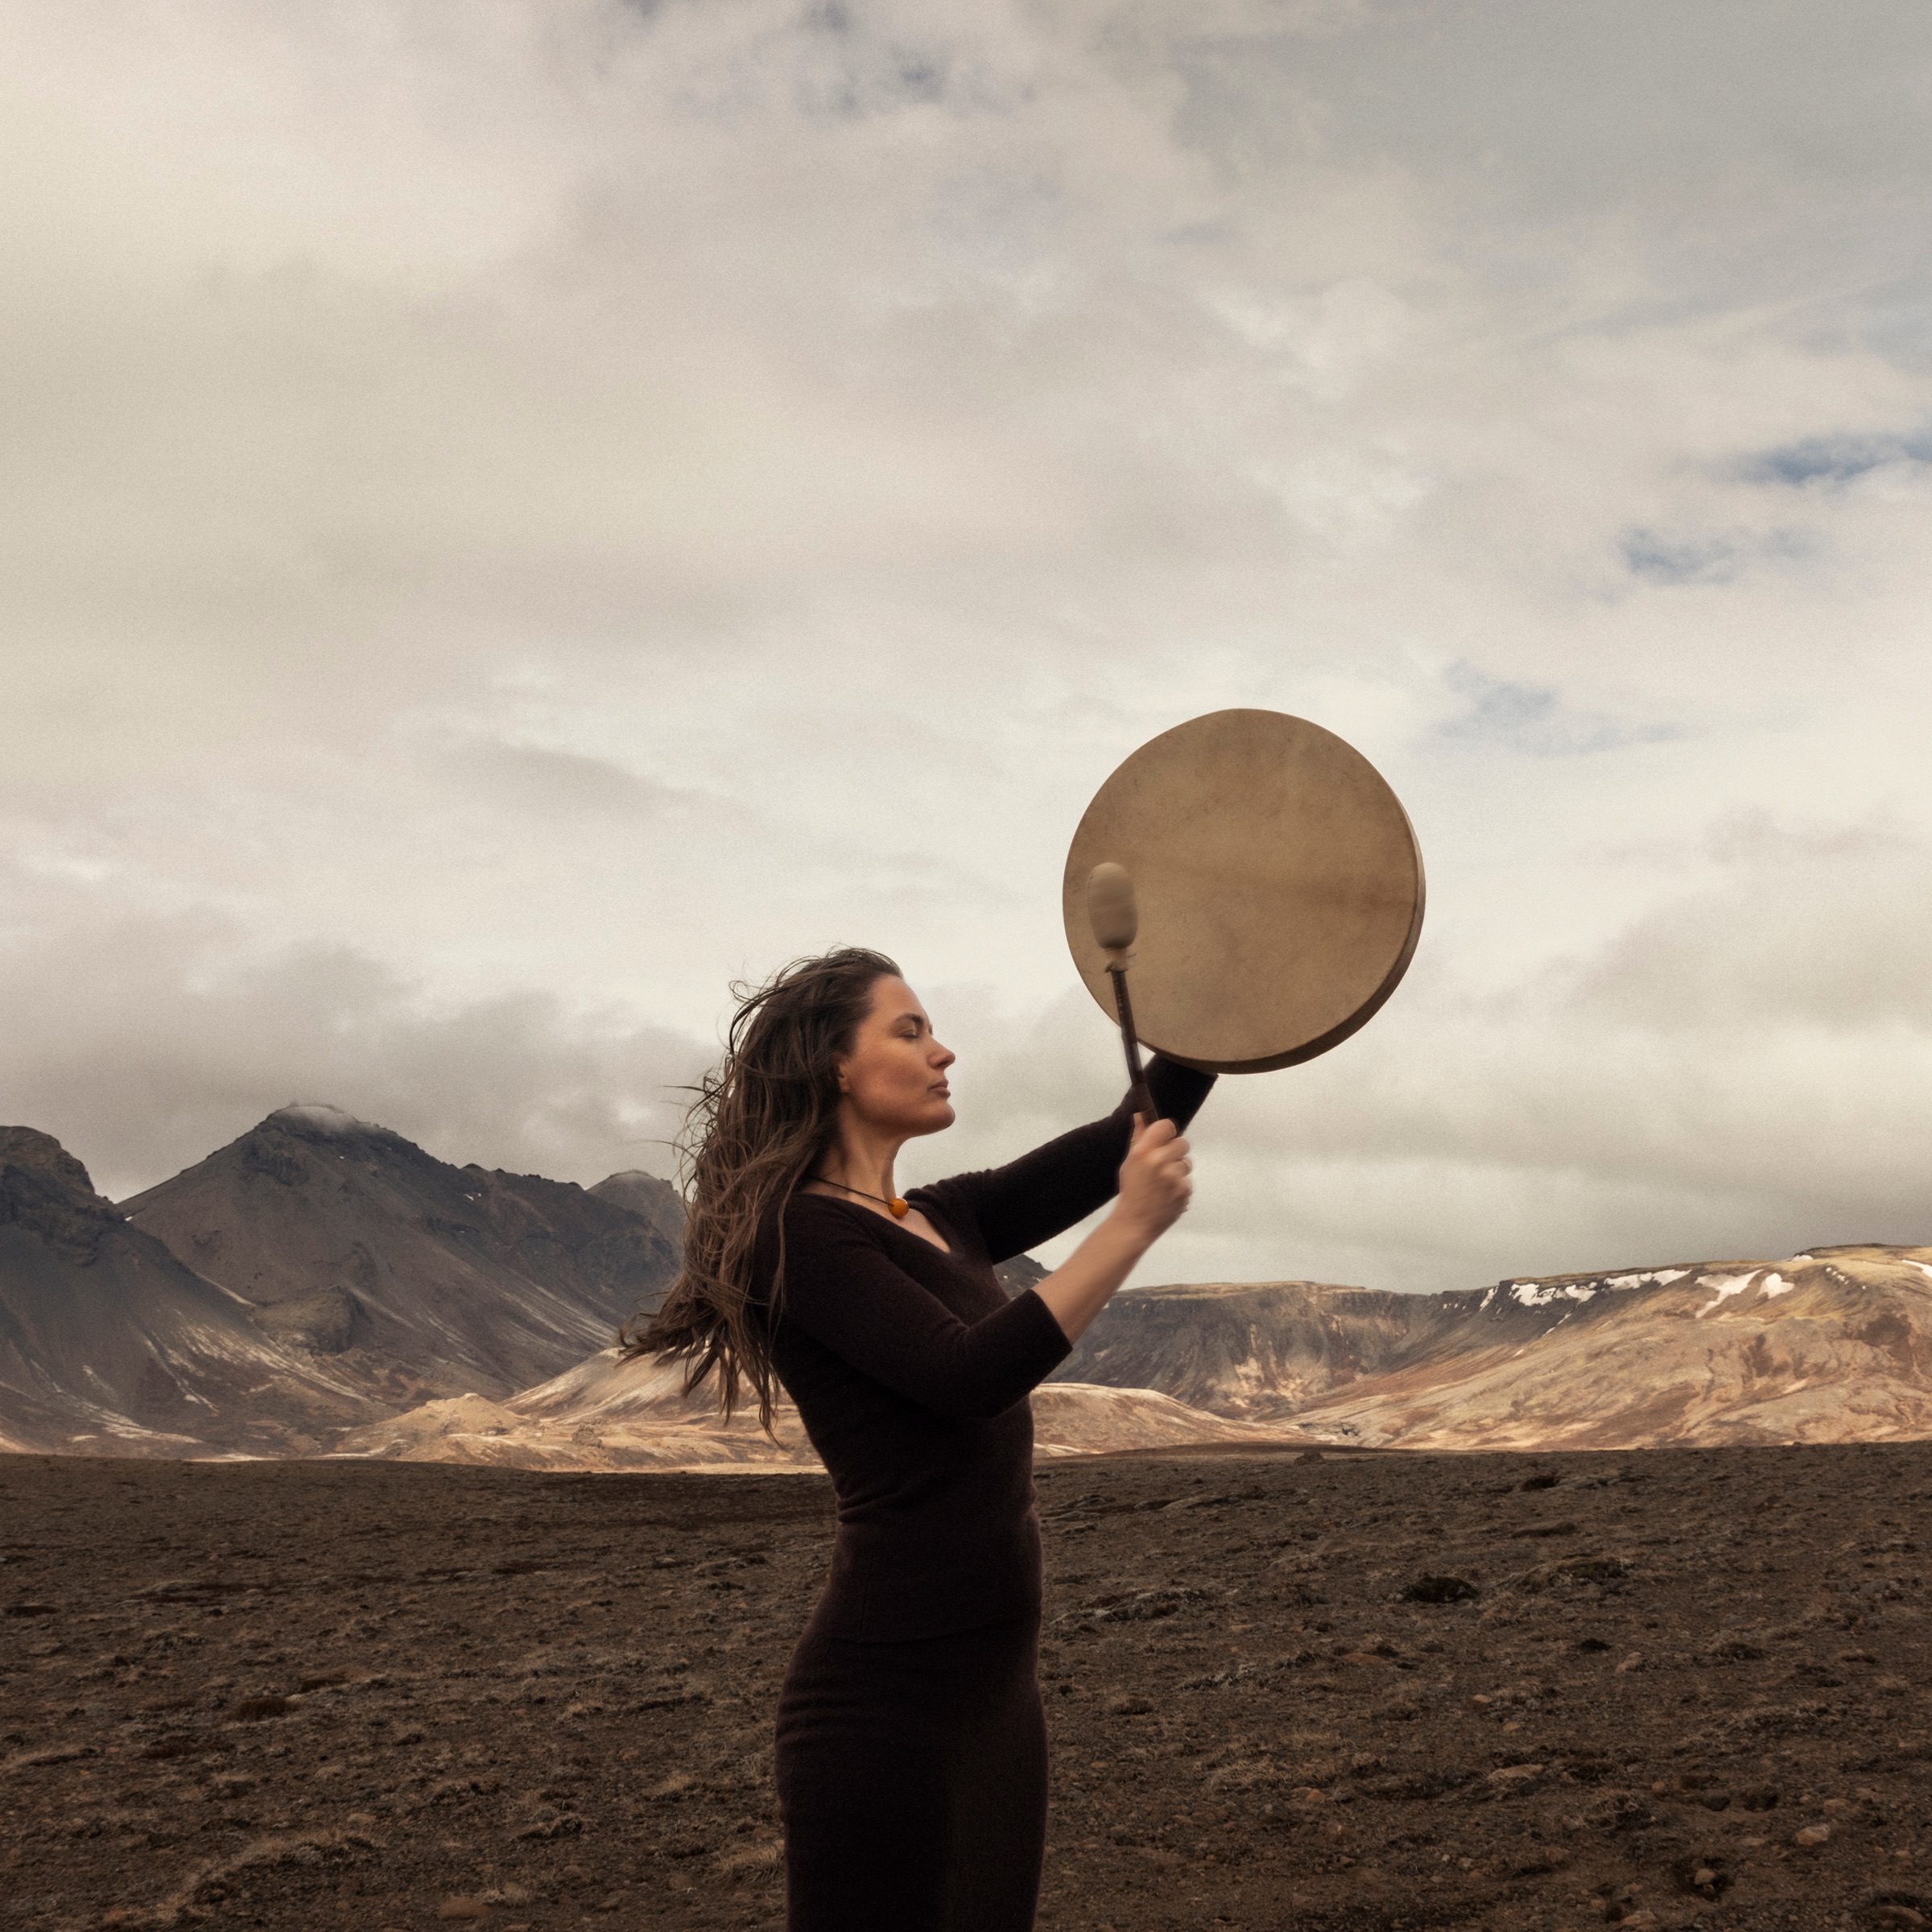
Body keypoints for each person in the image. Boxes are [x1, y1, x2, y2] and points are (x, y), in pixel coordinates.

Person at [626, 946, 1212, 1931]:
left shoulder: (946, 1215)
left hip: (998, 1702)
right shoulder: (798, 1235)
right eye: (911, 1032)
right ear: (834, 1067)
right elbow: (968, 1376)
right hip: (882, 1708)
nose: (944, 1053)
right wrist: (1130, 1228)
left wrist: (1236, 999)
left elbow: (1132, 1128)